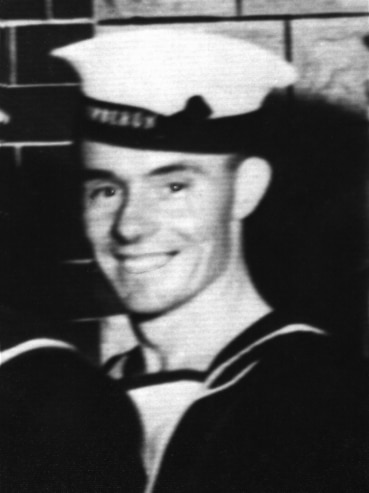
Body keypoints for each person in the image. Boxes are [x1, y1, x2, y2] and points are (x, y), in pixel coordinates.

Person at [1, 28, 367, 492]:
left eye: (173, 186)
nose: (129, 225)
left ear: (245, 190)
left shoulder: (324, 400)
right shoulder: (76, 400)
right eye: (106, 190)